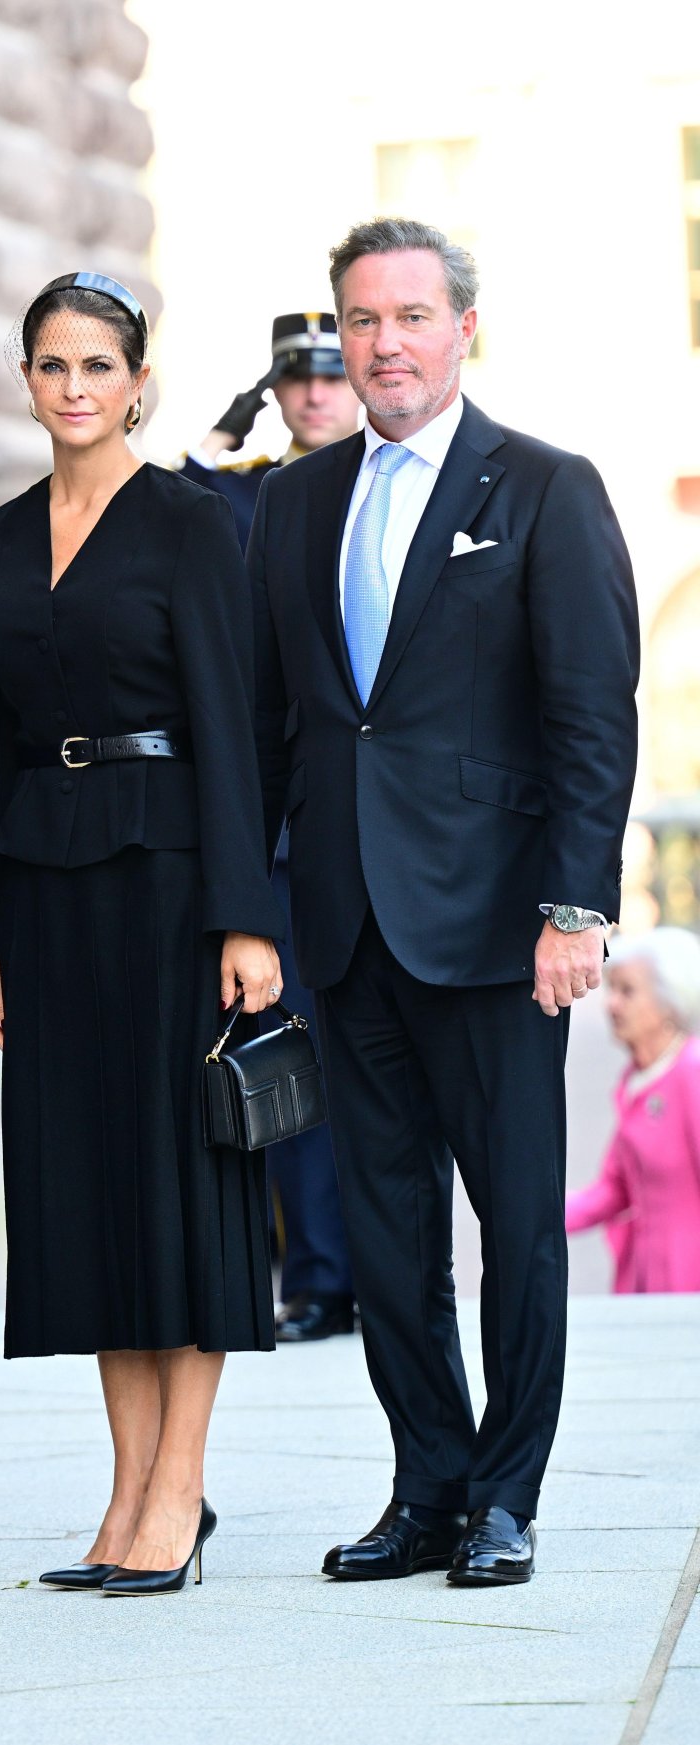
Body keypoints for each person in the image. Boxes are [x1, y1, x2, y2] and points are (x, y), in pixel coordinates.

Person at [252, 217, 639, 1587]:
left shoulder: (544, 487)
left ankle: (508, 1494)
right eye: (362, 321)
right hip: (347, 923)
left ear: (464, 328)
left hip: (494, 929)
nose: (384, 344)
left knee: (517, 1223)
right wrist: (256, 911)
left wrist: (575, 910)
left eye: (411, 316)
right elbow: (276, 726)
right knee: (384, 1227)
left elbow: (592, 718)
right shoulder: (297, 502)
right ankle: (427, 1483)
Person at [0, 271, 283, 1597]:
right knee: (88, 1192)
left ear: (137, 379)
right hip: (44, 890)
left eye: (100, 364)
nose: (77, 385)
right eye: (53, 364)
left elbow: (234, 726)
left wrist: (245, 917)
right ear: (26, 379)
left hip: (169, 886)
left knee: (181, 1190)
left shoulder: (195, 525)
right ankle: (125, 1491)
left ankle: (181, 1492)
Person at [183, 313, 360, 1343]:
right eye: (293, 382)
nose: (313, 396)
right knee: (291, 1051)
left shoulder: (388, 485)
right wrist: (222, 431)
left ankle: (382, 1271)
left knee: (380, 1063)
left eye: (327, 378)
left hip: (372, 825)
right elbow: (168, 499)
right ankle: (320, 1276)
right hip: (283, 829)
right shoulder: (248, 492)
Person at [566, 928, 700, 1291]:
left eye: (627, 991)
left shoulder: (691, 1072)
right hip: (643, 1278)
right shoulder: (636, 1079)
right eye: (612, 990)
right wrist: (534, 1216)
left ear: (669, 1001)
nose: (611, 1004)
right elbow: (615, 1188)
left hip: (688, 1283)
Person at [178, 312, 362, 549]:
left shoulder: (391, 485)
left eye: (333, 379)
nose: (315, 397)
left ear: (360, 385)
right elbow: (159, 523)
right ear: (274, 389)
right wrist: (219, 438)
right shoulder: (234, 494)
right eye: (297, 379)